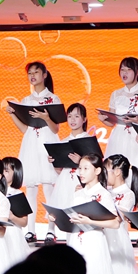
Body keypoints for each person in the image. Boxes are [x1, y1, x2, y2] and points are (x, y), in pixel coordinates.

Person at [54, 153, 120, 274]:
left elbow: (115, 223)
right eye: (80, 168)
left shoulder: (103, 194)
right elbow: (71, 221)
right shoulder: (78, 194)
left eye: (85, 168)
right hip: (77, 241)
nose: (81, 172)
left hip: (94, 242)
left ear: (97, 170)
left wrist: (91, 221)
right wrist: (58, 218)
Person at [5, 62, 61, 243]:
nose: (32, 76)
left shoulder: (53, 98)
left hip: (47, 143)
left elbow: (56, 129)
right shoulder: (26, 100)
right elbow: (24, 129)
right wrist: (12, 114)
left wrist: (46, 117)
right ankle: (30, 230)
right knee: (30, 189)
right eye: (30, 73)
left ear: (44, 75)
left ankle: (51, 230)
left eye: (36, 72)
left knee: (49, 188)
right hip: (30, 144)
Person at [99, 57, 138, 191]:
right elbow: (112, 122)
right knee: (115, 173)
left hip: (137, 137)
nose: (124, 73)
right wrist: (104, 119)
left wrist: (137, 121)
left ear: (137, 72)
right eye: (122, 70)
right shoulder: (116, 94)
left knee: (137, 172)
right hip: (118, 137)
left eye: (128, 69)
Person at [46, 102, 91, 243]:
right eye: (70, 116)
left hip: (80, 183)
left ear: (84, 119)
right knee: (64, 215)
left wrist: (80, 161)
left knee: (78, 216)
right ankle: (56, 236)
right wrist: (54, 162)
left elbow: (95, 167)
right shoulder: (64, 141)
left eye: (77, 116)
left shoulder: (88, 140)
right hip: (65, 182)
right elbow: (60, 171)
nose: (72, 120)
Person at [2, 156, 31, 263]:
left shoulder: (17, 194)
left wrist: (12, 217)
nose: (2, 173)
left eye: (6, 171)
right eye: (1, 169)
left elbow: (24, 222)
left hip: (12, 235)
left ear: (16, 173)